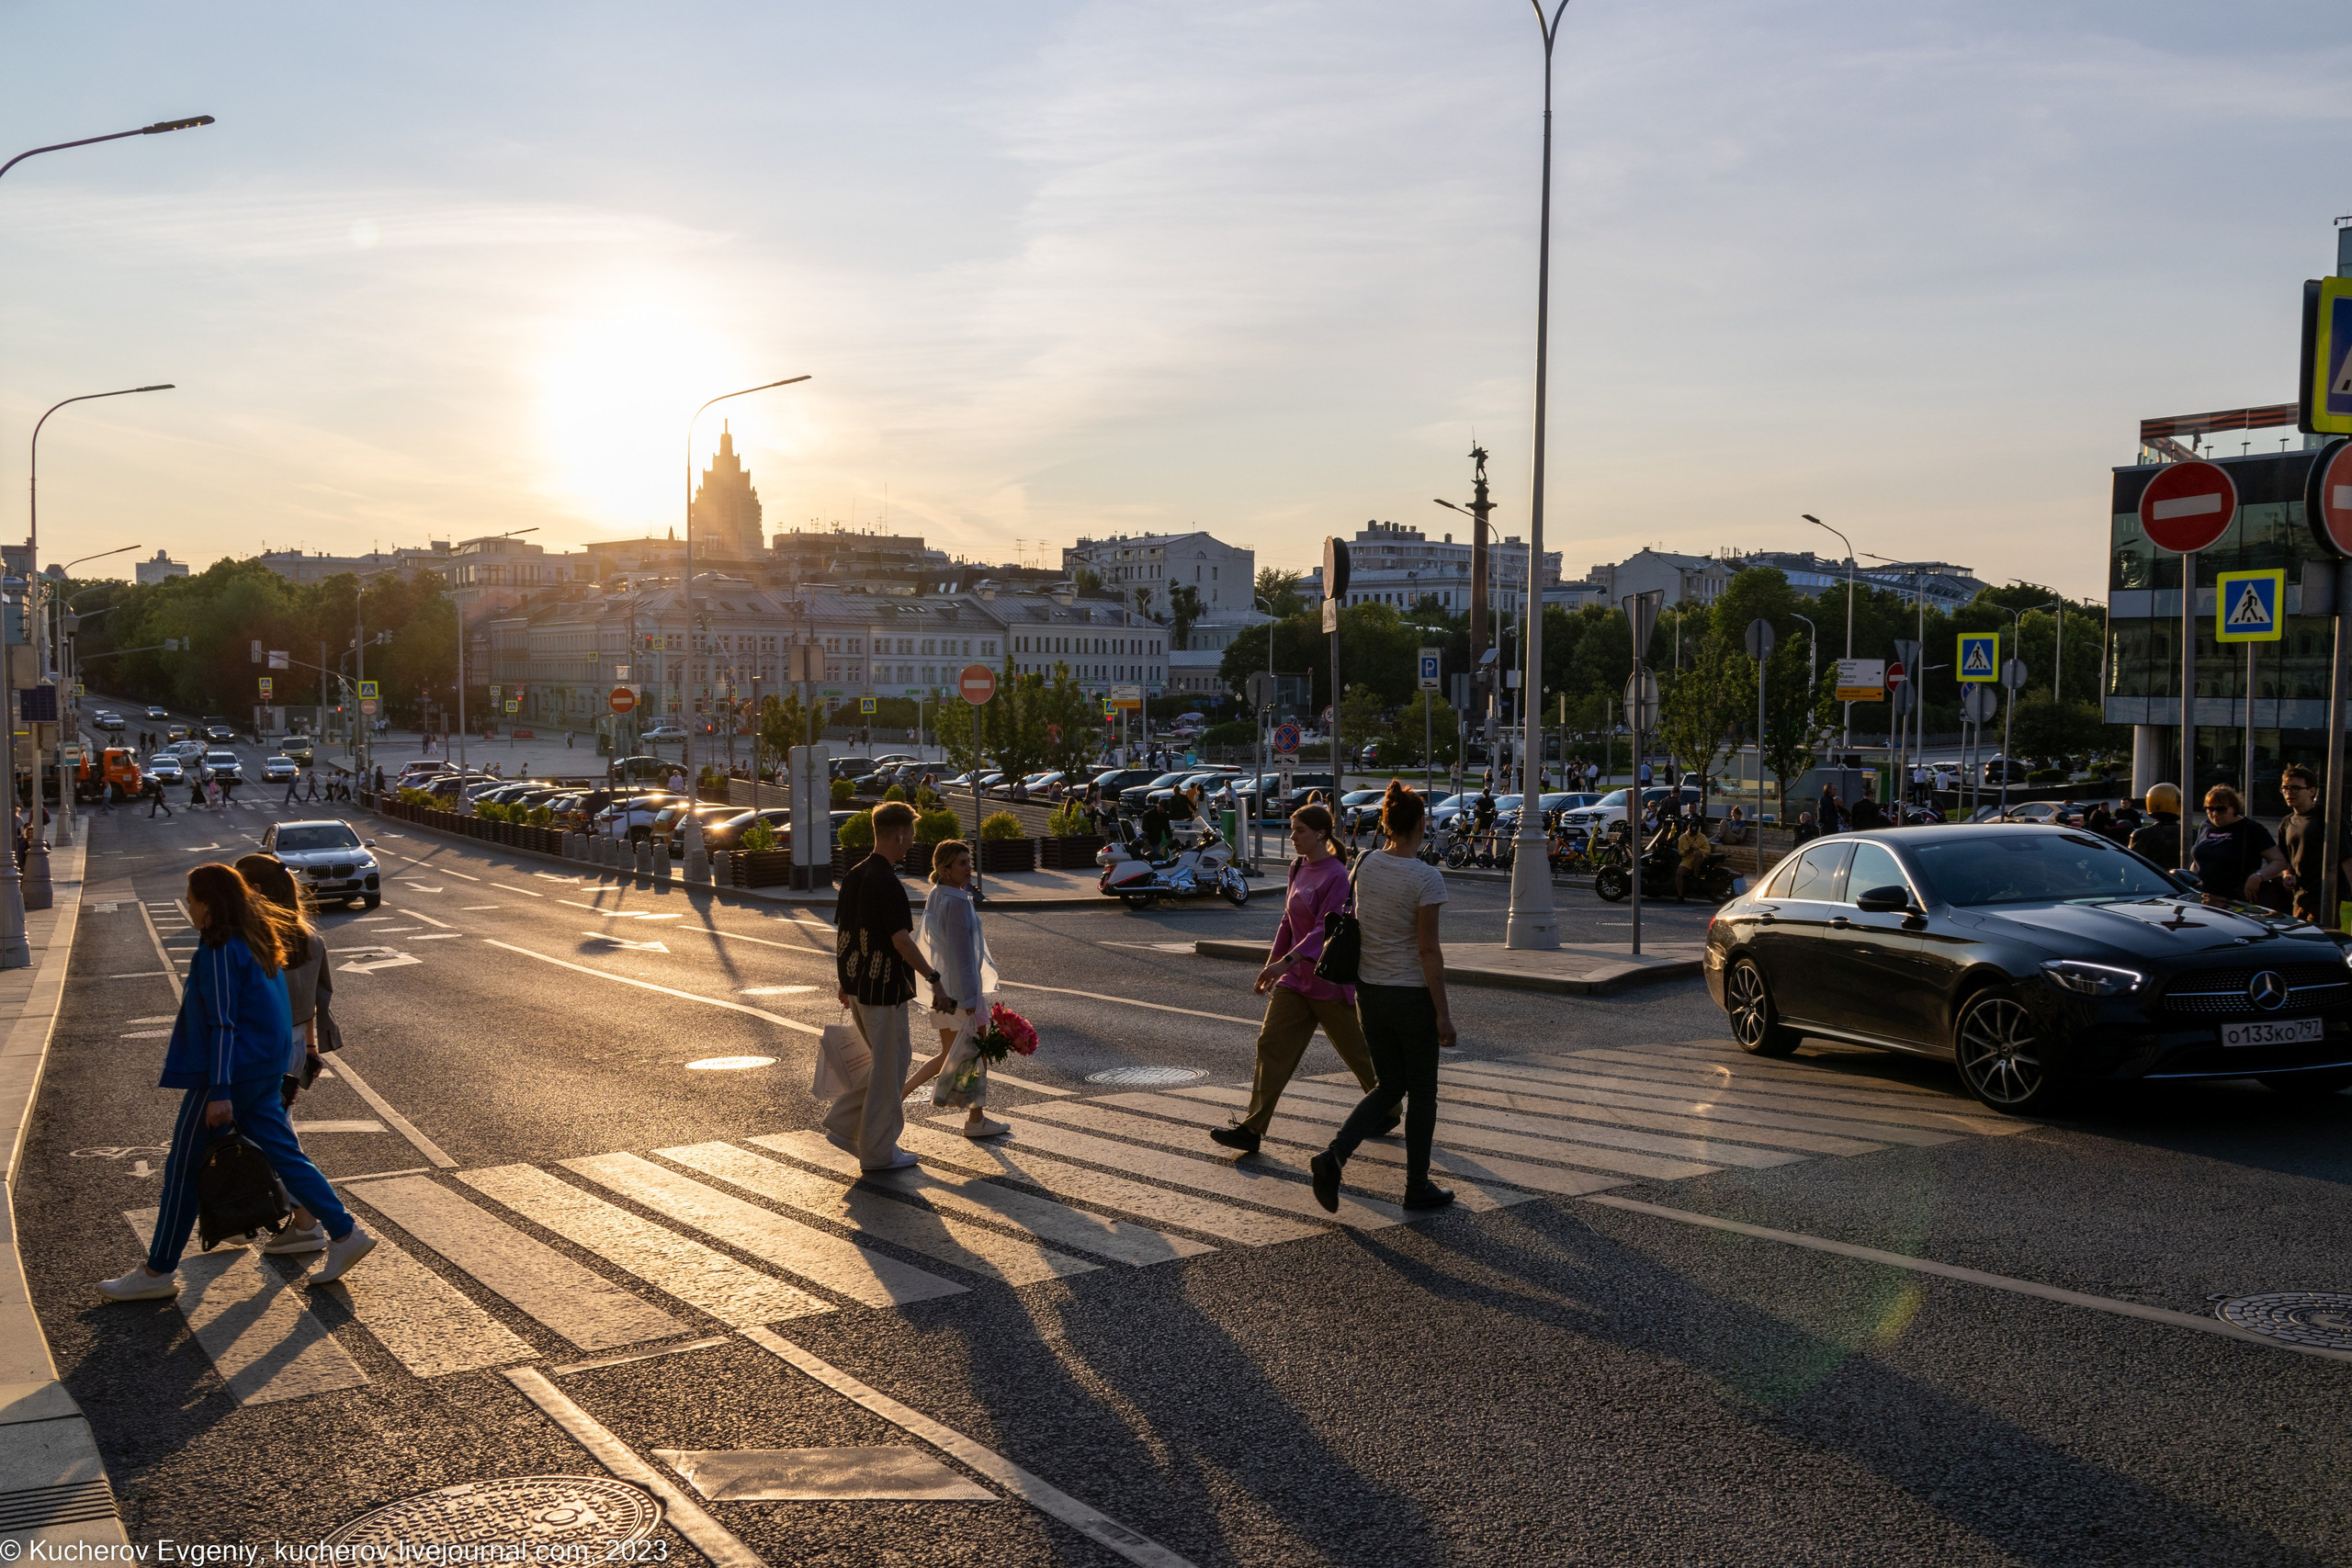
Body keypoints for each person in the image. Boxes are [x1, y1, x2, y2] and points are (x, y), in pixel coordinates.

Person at [96, 863, 375, 1302]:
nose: (188, 906)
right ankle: (345, 1232)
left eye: (190, 899)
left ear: (209, 902)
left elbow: (224, 1023)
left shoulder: (221, 948)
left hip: (229, 1074)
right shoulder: (258, 940)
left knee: (183, 1169)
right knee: (285, 1154)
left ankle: (156, 1272)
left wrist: (220, 1091)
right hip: (263, 1067)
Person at [1308, 781, 1455, 1214]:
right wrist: (1442, 1015)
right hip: (1410, 997)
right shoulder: (1427, 878)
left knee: (1388, 1085)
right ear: (1421, 825)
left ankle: (1334, 1155)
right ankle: (1417, 1186)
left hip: (1369, 995)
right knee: (1423, 1093)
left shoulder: (1366, 862)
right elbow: (1428, 950)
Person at [1214, 804, 1385, 1156]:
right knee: (1271, 1045)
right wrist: (1273, 965)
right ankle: (1252, 1128)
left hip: (1328, 981)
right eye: (1291, 830)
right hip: (1294, 981)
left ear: (1320, 834)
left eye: (1298, 830)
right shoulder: (1297, 868)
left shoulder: (1337, 874)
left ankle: (1387, 1107)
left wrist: (1286, 962)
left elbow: (1327, 927)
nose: (1291, 837)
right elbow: (1287, 923)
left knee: (1358, 1054)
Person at [829, 801, 952, 1173]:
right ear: (899, 834)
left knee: (882, 1068)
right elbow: (901, 940)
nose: (912, 843)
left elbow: (846, 934)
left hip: (861, 989)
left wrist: (845, 982)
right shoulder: (888, 883)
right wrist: (934, 979)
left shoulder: (855, 875)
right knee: (890, 1071)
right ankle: (879, 1150)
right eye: (911, 834)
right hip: (883, 991)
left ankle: (846, 1126)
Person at [233, 853, 337, 1254]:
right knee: (272, 1130)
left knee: (268, 1136)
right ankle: (245, 1216)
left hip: (261, 1045)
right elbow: (313, 1001)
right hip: (294, 1042)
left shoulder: (255, 938)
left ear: (255, 890)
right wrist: (310, 1046)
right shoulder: (310, 936)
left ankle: (306, 1217)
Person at [901, 840, 1008, 1139]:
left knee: (948, 1054)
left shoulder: (937, 894)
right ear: (944, 869)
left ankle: (896, 1098)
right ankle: (976, 1120)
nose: (968, 867)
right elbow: (963, 955)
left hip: (944, 990)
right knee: (978, 1055)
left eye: (969, 861)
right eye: (962, 863)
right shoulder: (958, 902)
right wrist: (971, 1000)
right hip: (963, 992)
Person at [2267, 765, 2339, 921]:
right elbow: (2284, 860)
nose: (2288, 793)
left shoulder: (2327, 819)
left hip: (2324, 898)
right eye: (2285, 788)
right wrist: (2287, 876)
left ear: (2312, 791)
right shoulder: (2287, 822)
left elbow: (2347, 858)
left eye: (2295, 788)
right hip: (2299, 898)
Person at [2191, 784, 2282, 908]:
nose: (2215, 814)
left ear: (2234, 807)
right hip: (2204, 898)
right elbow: (2198, 858)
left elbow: (2279, 861)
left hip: (2235, 900)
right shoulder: (2205, 826)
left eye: (2221, 809)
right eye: (2209, 809)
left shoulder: (2251, 829)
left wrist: (2257, 877)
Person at [2128, 782, 2185, 870]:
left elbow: (2131, 868)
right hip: (2178, 882)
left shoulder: (2140, 835)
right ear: (2178, 803)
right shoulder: (2190, 834)